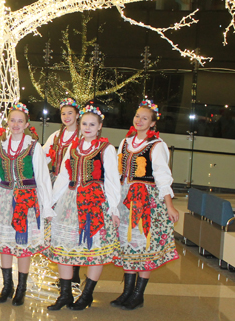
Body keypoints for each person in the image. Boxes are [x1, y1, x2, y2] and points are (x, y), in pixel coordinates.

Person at [46, 104, 121, 311]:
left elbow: (113, 181)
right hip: (70, 200)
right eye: (84, 124)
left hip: (94, 202)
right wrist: (52, 202)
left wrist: (114, 208)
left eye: (92, 124)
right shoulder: (74, 147)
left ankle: (87, 295)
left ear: (99, 127)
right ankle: (65, 294)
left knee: (93, 250)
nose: (87, 127)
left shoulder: (107, 149)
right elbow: (63, 176)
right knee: (64, 247)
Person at [111, 99, 179, 310]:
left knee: (144, 246)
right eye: (137, 116)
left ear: (152, 123)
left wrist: (169, 205)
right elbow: (116, 173)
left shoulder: (157, 146)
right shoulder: (125, 142)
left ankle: (138, 294)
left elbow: (163, 177)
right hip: (125, 200)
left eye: (145, 118)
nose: (139, 120)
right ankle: (127, 292)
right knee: (127, 246)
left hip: (146, 202)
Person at [0, 103, 55, 307]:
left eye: (20, 121)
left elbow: (42, 178)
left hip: (27, 201)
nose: (15, 124)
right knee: (6, 245)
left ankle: (21, 288)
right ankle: (7, 286)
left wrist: (46, 206)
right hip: (5, 199)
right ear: (7, 122)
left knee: (23, 244)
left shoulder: (34, 147)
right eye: (12, 120)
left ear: (26, 124)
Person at [42, 98, 82, 289]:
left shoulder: (83, 135)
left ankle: (75, 275)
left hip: (74, 188)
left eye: (70, 113)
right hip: (56, 184)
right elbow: (43, 157)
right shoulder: (56, 136)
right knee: (58, 228)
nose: (66, 117)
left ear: (77, 115)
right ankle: (65, 276)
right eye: (63, 113)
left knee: (73, 229)